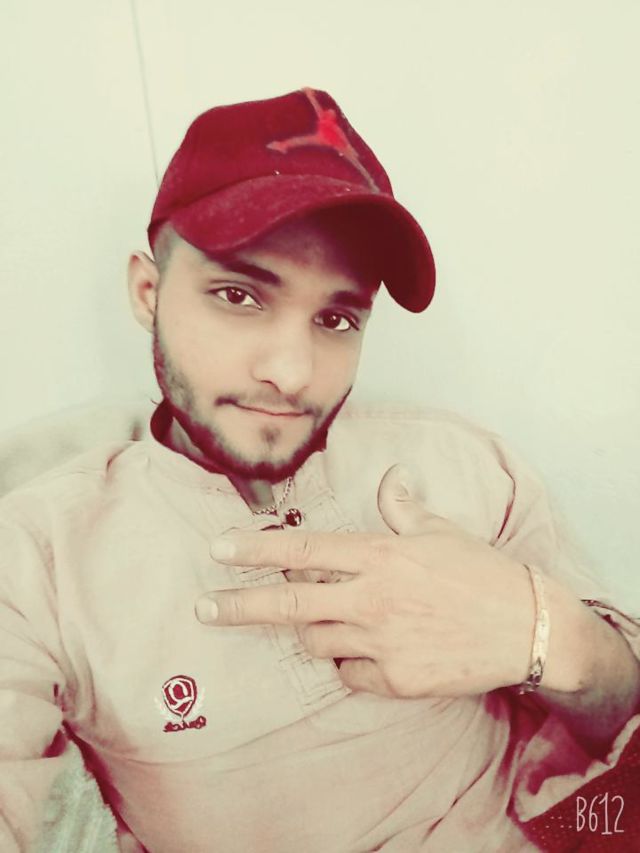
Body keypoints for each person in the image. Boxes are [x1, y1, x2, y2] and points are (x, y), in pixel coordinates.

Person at [1, 87, 639, 852]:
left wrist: (540, 631)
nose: (292, 372)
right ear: (148, 290)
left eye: (336, 318)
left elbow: (621, 717)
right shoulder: (41, 557)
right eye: (238, 295)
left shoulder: (464, 464)